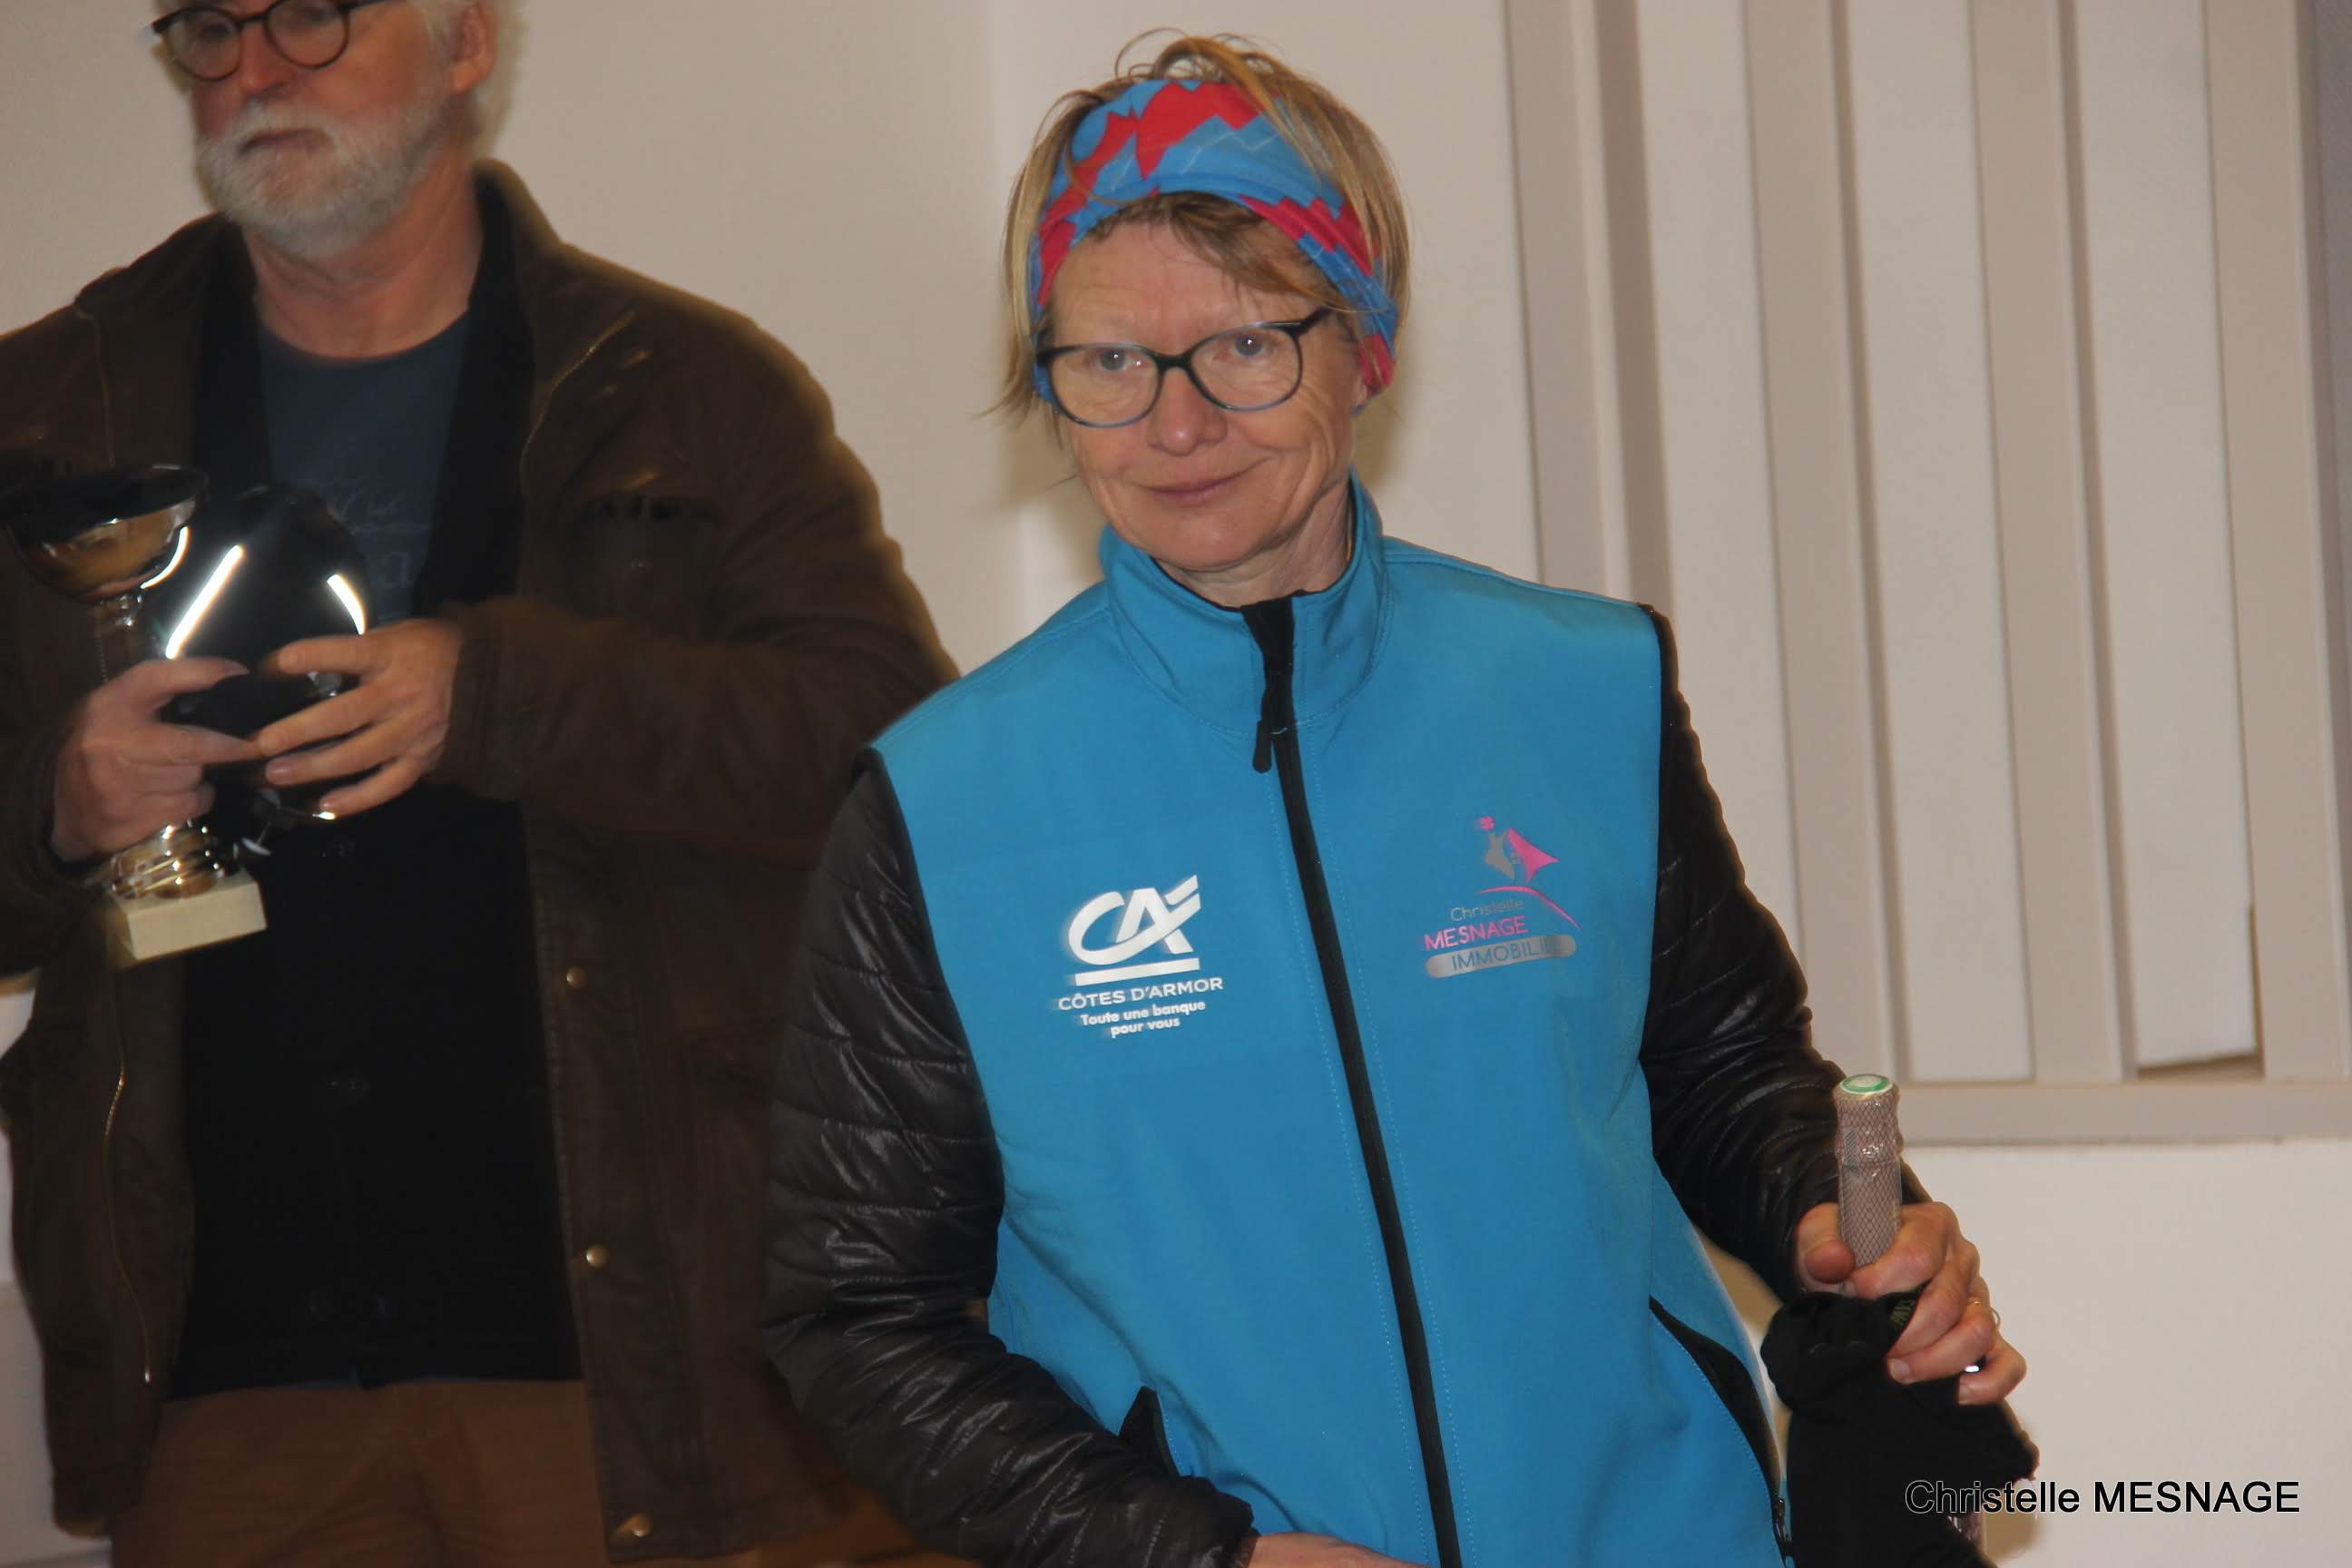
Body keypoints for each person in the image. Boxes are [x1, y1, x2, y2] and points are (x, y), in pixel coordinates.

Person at [762, 35, 2025, 1568]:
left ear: (1364, 348)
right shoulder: (942, 808)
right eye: (1108, 363)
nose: (1175, 425)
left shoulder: (1583, 687)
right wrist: (1194, 1554)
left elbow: (1724, 1068)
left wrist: (1839, 1220)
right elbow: (856, 1313)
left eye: (1245, 346)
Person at [0, 1, 953, 1563]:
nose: (253, 71)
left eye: (313, 14)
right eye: (210, 27)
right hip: (219, 1386)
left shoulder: (682, 386)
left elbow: (887, 750)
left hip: (633, 1362)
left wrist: (506, 696)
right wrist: (55, 808)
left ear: (463, 42)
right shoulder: (43, 412)